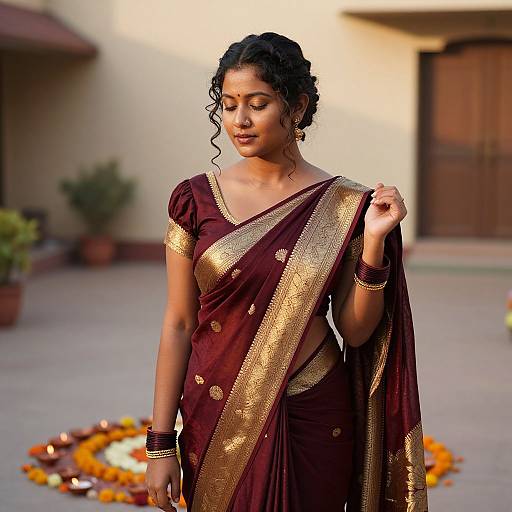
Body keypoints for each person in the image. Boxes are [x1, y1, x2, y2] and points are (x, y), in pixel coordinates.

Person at [145, 32, 428, 512]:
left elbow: (357, 333)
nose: (239, 120)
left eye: (257, 103)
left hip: (311, 408)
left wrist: (375, 242)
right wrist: (159, 442)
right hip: (215, 408)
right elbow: (178, 322)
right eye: (229, 104)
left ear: (295, 108)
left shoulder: (344, 208)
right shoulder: (194, 200)